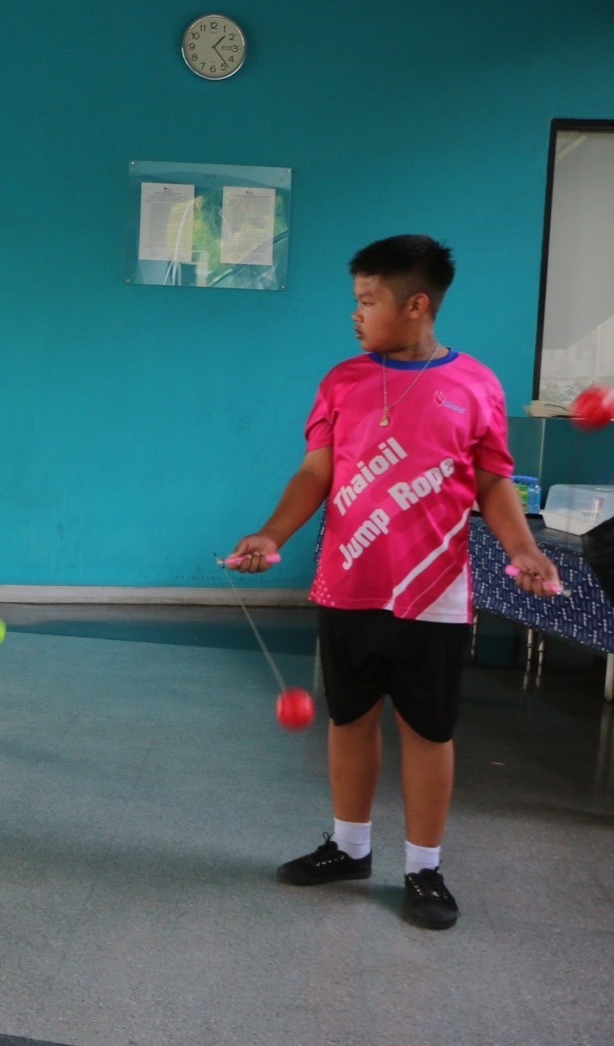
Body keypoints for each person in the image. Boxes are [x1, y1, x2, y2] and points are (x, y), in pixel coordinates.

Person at [226, 234, 560, 930]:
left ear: (416, 305)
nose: (356, 314)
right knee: (349, 720)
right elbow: (316, 471)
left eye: (368, 301)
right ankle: (350, 847)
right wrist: (271, 534)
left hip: (434, 593)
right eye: (356, 300)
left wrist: (523, 547)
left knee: (428, 731)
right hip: (348, 583)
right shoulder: (342, 382)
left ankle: (424, 869)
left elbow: (493, 482)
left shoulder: (476, 385)